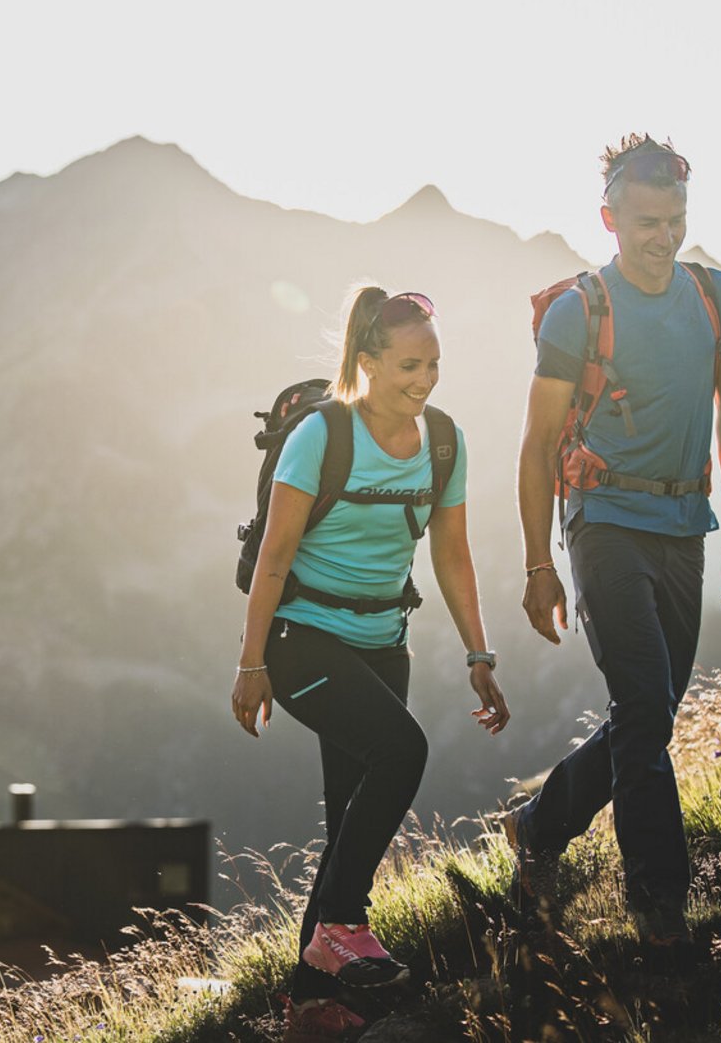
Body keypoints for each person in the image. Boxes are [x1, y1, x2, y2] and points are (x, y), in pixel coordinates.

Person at [503, 134, 721, 955]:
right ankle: (660, 913)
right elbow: (539, 440)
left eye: (675, 219)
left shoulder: (717, 298)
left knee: (648, 716)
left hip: (687, 528)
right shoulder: (582, 311)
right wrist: (540, 562)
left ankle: (539, 828)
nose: (663, 236)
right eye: (647, 221)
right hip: (603, 524)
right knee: (646, 709)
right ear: (609, 218)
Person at [231, 286, 511, 1042]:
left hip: (386, 643)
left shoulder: (443, 441)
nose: (425, 380)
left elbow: (451, 554)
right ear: (366, 362)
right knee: (403, 749)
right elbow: (276, 556)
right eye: (409, 365)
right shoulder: (322, 436)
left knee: (348, 815)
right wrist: (251, 662)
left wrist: (478, 651)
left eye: (435, 364)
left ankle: (314, 1006)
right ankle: (345, 925)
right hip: (301, 641)